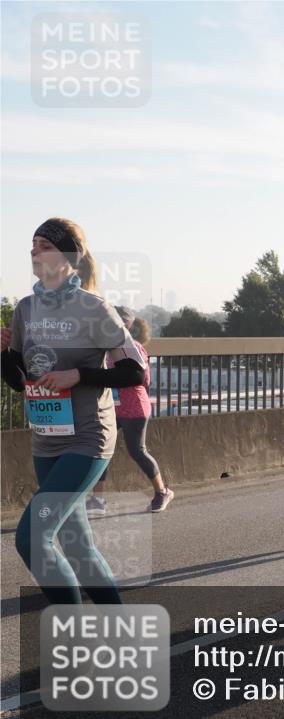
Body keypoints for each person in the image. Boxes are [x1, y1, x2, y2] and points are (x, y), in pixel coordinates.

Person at [1, 218, 147, 604]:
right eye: (32, 244)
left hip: (88, 436)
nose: (35, 251)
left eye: (45, 244)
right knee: (77, 547)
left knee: (32, 536)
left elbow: (136, 372)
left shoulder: (93, 308)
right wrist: (3, 354)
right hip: (47, 438)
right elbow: (20, 382)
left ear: (68, 255)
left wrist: (77, 376)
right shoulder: (26, 309)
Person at [85, 308, 174, 516]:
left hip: (134, 406)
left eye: (119, 322)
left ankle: (163, 491)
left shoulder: (133, 347)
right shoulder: (104, 348)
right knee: (101, 450)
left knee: (137, 451)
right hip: (110, 407)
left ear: (128, 326)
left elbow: (144, 379)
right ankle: (97, 499)